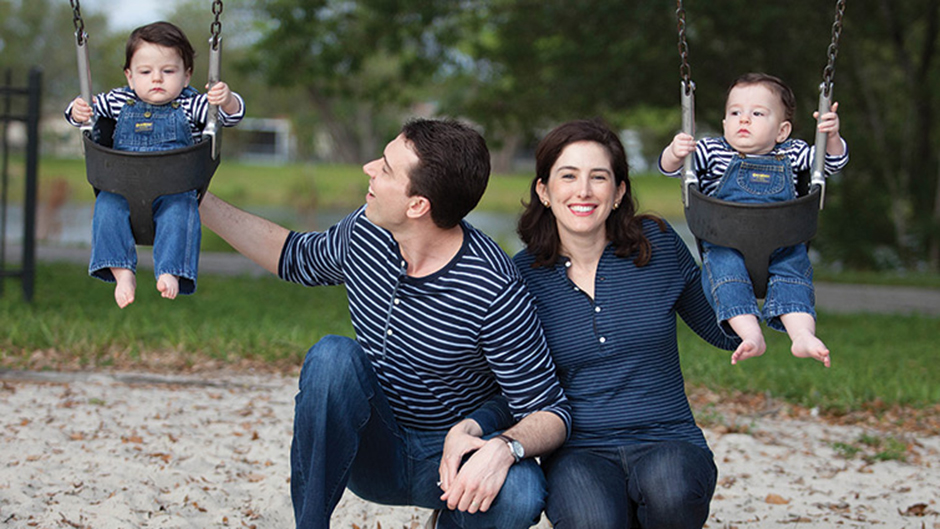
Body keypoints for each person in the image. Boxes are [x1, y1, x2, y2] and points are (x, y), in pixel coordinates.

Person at [198, 118, 571, 529]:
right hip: (372, 447)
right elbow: (295, 256)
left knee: (522, 490)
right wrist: (197, 198)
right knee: (332, 358)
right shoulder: (367, 232)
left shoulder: (493, 286)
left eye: (387, 169)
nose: (369, 168)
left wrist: (504, 448)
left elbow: (550, 411)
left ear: (417, 206)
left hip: (450, 462)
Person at [514, 119, 741, 528]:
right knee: (593, 521)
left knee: (671, 492)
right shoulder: (522, 277)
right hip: (579, 449)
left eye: (598, 177)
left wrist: (749, 255)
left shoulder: (656, 245)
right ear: (544, 191)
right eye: (568, 176)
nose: (583, 191)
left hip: (666, 437)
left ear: (618, 192)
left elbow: (723, 330)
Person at [659, 72, 848, 366]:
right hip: (725, 242)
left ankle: (802, 335)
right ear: (724, 124)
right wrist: (675, 152)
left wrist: (832, 137)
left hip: (783, 241)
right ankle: (750, 335)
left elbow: (830, 164)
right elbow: (671, 169)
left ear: (782, 131)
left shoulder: (793, 152)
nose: (743, 120)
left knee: (793, 275)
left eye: (757, 113)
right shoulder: (711, 150)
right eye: (735, 112)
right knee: (724, 274)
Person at [65, 21, 245, 308]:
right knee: (106, 209)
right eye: (145, 72)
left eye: (168, 71)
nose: (157, 79)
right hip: (121, 187)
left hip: (174, 188)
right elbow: (83, 113)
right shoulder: (118, 100)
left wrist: (228, 101)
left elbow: (229, 117)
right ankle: (122, 272)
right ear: (130, 76)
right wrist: (76, 111)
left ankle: (170, 270)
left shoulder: (192, 104)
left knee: (181, 213)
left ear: (186, 76)